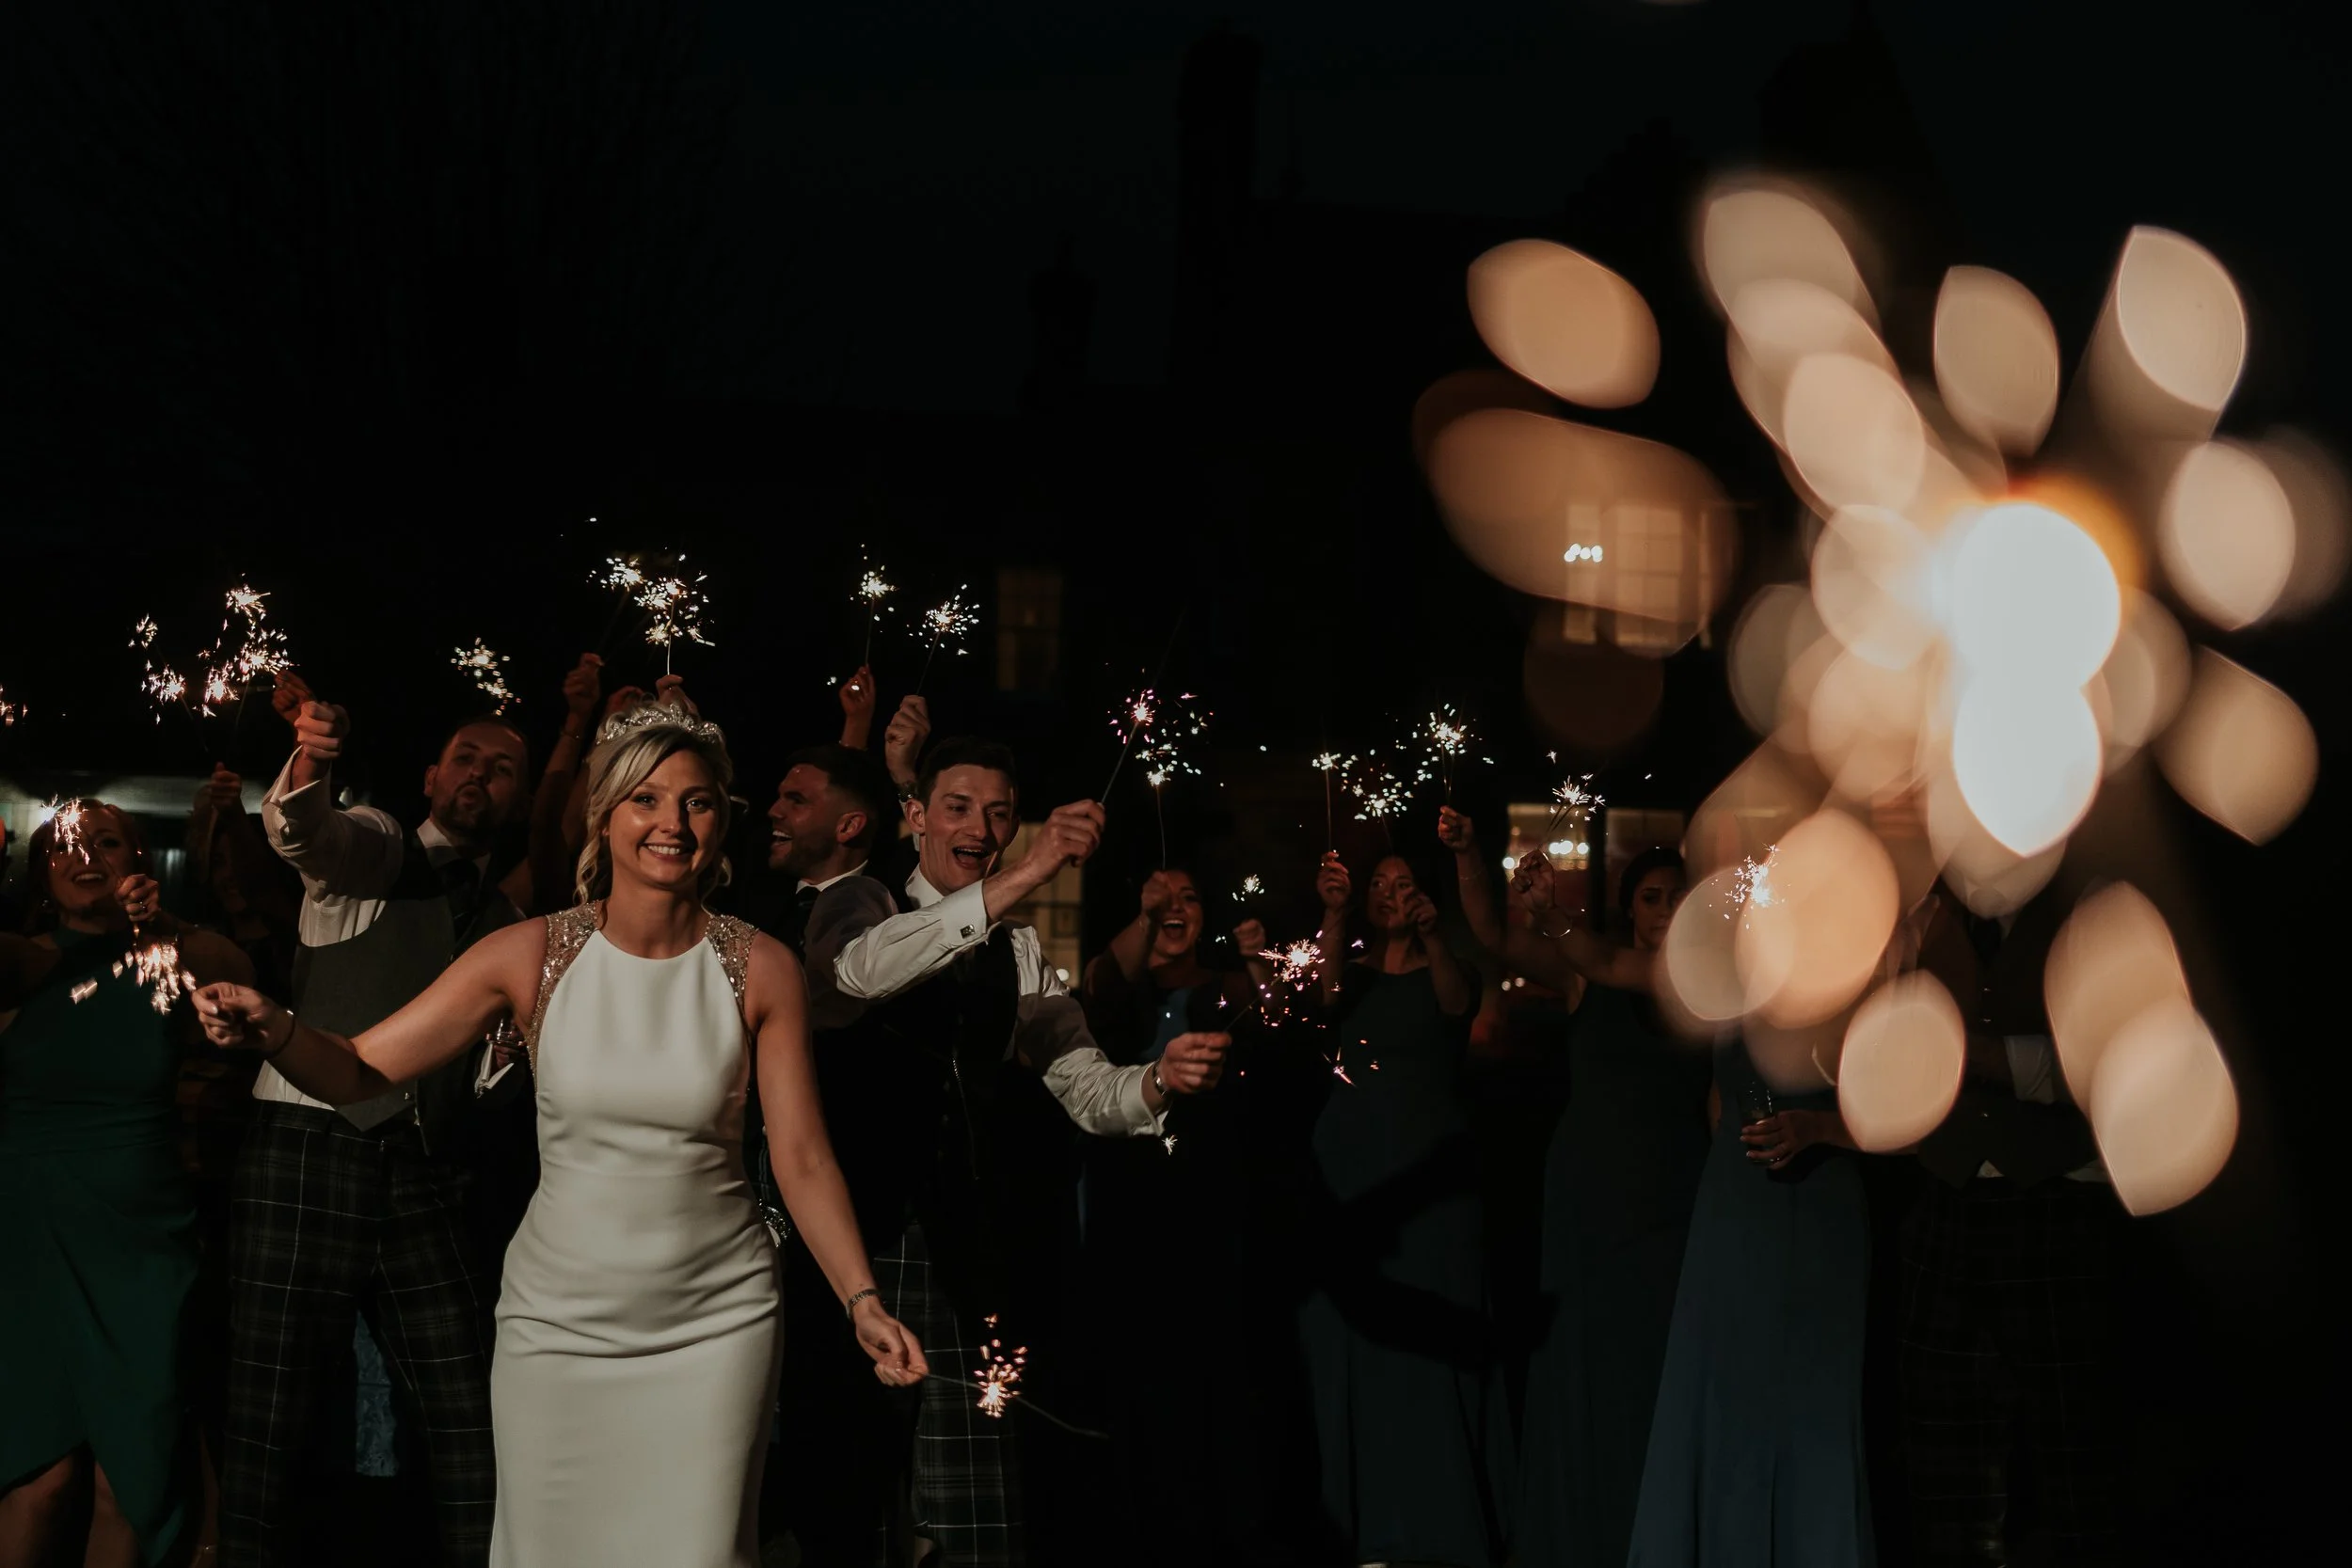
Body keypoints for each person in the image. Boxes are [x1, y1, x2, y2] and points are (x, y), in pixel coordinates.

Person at [190, 699, 928, 1568]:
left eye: (695, 802)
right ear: (606, 814)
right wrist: (273, 1027)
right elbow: (359, 1068)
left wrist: (860, 1297)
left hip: (716, 1321)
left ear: (720, 822)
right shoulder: (528, 953)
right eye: (646, 799)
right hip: (557, 1323)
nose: (671, 823)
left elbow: (802, 1157)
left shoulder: (762, 965)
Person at [816, 736, 1231, 1568]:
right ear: (915, 814)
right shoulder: (857, 897)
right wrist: (1033, 870)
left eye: (1000, 812)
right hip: (850, 1248)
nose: (981, 825)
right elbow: (861, 974)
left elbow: (1087, 1088)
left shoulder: (1018, 954)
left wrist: (1158, 1080)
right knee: (847, 1499)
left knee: (974, 1517)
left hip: (962, 1251)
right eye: (960, 805)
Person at [1483, 841, 1878, 1568]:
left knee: (1804, 1392)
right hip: (1733, 1202)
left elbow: (1901, 1115)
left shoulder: (1839, 991)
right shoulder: (1720, 982)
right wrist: (1550, 912)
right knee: (1718, 1386)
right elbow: (1604, 965)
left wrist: (1818, 1126)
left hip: (1814, 1209)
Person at [220, 689, 535, 1568]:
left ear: (522, 798)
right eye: (466, 756)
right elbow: (306, 832)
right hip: (306, 1152)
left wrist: (499, 1069)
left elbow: (482, 1077)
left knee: (471, 1414)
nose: (481, 774)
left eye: (504, 767)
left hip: (426, 1173)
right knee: (269, 1417)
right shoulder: (375, 849)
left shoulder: (514, 926)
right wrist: (313, 761)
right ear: (431, 775)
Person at [1443, 812, 1711, 1568]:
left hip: (1674, 1194)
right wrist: (1471, 855)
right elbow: (1494, 934)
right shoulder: (1581, 972)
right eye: (1652, 898)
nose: (1663, 911)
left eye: (1676, 898)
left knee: (1656, 1368)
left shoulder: (1702, 987)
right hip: (1589, 1191)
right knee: (1585, 1367)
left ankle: (1657, 1536)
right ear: (1631, 906)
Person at [0, 802, 253, 1567]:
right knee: (39, 1476)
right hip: (29, 1234)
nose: (87, 853)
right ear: (42, 871)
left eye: (108, 841)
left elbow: (242, 980)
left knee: (132, 1477)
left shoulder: (173, 954)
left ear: (137, 860)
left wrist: (162, 920)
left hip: (141, 1237)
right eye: (66, 844)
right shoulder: (22, 958)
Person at [1899, 878, 2121, 1567]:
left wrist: (1992, 1060)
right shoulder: (1920, 909)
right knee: (1950, 1457)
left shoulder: (2089, 904)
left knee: (2073, 1448)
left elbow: (2106, 1057)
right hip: (1946, 1198)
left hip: (2055, 1203)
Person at [1296, 846, 1507, 1568]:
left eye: (1404, 882)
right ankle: (1357, 1525)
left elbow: (1455, 1003)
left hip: (1430, 1183)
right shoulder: (1351, 974)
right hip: (1349, 1177)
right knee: (1353, 1341)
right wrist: (1329, 913)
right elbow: (1321, 999)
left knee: (1424, 1333)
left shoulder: (1451, 967)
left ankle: (1437, 1525)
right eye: (1379, 884)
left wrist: (1436, 933)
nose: (1391, 893)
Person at [1074, 869, 1283, 1567]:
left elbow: (1277, 1034)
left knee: (1209, 1370)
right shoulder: (1118, 990)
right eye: (1160, 897)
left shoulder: (1226, 986)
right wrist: (1146, 912)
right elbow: (1101, 983)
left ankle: (1215, 1528)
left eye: (1190, 897)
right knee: (1132, 1366)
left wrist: (1260, 964)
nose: (1174, 908)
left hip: (1205, 1201)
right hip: (1124, 1199)